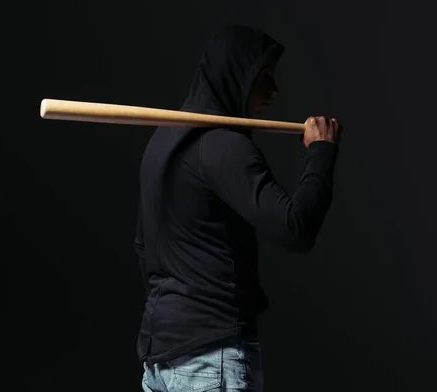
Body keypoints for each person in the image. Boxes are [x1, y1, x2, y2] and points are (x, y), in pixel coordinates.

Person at [134, 23, 343, 392]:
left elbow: (143, 246)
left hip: (160, 359)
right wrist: (321, 153)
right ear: (236, 75)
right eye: (264, 76)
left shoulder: (160, 141)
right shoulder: (224, 147)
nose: (274, 89)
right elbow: (296, 229)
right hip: (209, 361)